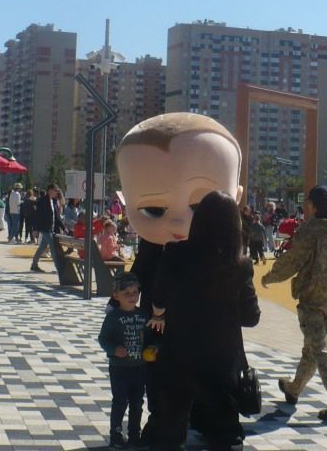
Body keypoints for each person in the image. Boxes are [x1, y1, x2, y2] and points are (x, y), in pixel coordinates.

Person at [115, 112, 247, 448]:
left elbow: (155, 288)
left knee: (170, 387)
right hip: (207, 342)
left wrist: (155, 312)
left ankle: (174, 426)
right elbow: (250, 314)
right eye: (154, 209)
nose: (177, 221)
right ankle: (184, 425)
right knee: (185, 389)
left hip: (171, 337)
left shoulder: (184, 256)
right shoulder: (234, 262)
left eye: (198, 206)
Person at [149, 191, 260, 450]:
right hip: (221, 361)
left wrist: (160, 315)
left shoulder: (175, 253)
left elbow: (158, 295)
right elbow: (250, 317)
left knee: (169, 431)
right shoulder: (240, 265)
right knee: (225, 434)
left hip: (178, 353)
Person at [261, 185, 327, 424]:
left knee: (320, 350)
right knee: (313, 348)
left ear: (311, 205)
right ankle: (293, 389)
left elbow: (293, 260)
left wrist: (270, 276)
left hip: (312, 297)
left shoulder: (310, 230)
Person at [98, 272, 148, 449]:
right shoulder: (113, 317)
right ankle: (116, 434)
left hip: (139, 367)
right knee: (120, 401)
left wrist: (154, 348)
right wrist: (113, 349)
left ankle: (134, 434)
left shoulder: (143, 315)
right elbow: (103, 339)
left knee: (137, 402)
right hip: (119, 368)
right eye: (127, 293)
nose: (132, 296)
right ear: (116, 295)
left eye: (135, 292)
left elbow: (151, 337)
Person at [30, 184, 65, 273]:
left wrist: (64, 228)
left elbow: (57, 217)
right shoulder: (42, 201)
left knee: (42, 247)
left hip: (51, 228)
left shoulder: (53, 201)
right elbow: (37, 215)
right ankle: (59, 269)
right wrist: (35, 229)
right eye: (55, 190)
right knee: (53, 247)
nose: (56, 192)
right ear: (49, 190)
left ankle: (34, 265)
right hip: (45, 228)